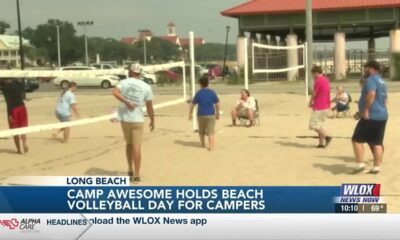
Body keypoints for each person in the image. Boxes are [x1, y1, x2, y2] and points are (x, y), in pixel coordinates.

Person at [112, 63, 154, 183]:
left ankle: (130, 169)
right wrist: (152, 119)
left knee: (129, 144)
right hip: (138, 119)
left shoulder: (124, 82)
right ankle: (137, 174)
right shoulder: (146, 86)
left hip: (125, 119)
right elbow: (149, 105)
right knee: (137, 147)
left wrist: (126, 101)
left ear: (130, 72)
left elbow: (115, 92)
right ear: (139, 73)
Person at [352, 60, 388, 174]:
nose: (364, 70)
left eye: (366, 68)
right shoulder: (382, 81)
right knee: (377, 142)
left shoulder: (370, 79)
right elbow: (386, 99)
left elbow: (372, 94)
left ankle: (360, 164)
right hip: (382, 114)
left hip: (371, 115)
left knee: (356, 139)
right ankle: (376, 167)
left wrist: (366, 110)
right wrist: (383, 109)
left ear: (371, 69)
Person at [189, 77, 220, 151]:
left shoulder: (198, 93)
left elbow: (193, 104)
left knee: (201, 131)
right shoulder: (212, 92)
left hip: (201, 114)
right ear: (208, 83)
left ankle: (203, 144)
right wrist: (218, 113)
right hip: (211, 114)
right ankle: (211, 146)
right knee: (211, 132)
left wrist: (190, 113)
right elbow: (217, 104)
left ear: (200, 84)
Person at [1, 78, 29, 154]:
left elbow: (8, 101)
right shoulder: (18, 84)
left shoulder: (5, 87)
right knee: (23, 127)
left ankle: (19, 150)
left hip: (13, 109)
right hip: (22, 107)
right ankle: (24, 143)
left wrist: (10, 114)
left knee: (14, 130)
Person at [308, 66, 332, 148]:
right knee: (320, 125)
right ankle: (321, 143)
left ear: (316, 73)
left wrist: (310, 102)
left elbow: (314, 94)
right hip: (326, 105)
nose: (312, 76)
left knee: (313, 125)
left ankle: (327, 137)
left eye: (313, 75)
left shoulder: (318, 81)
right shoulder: (326, 80)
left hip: (320, 106)